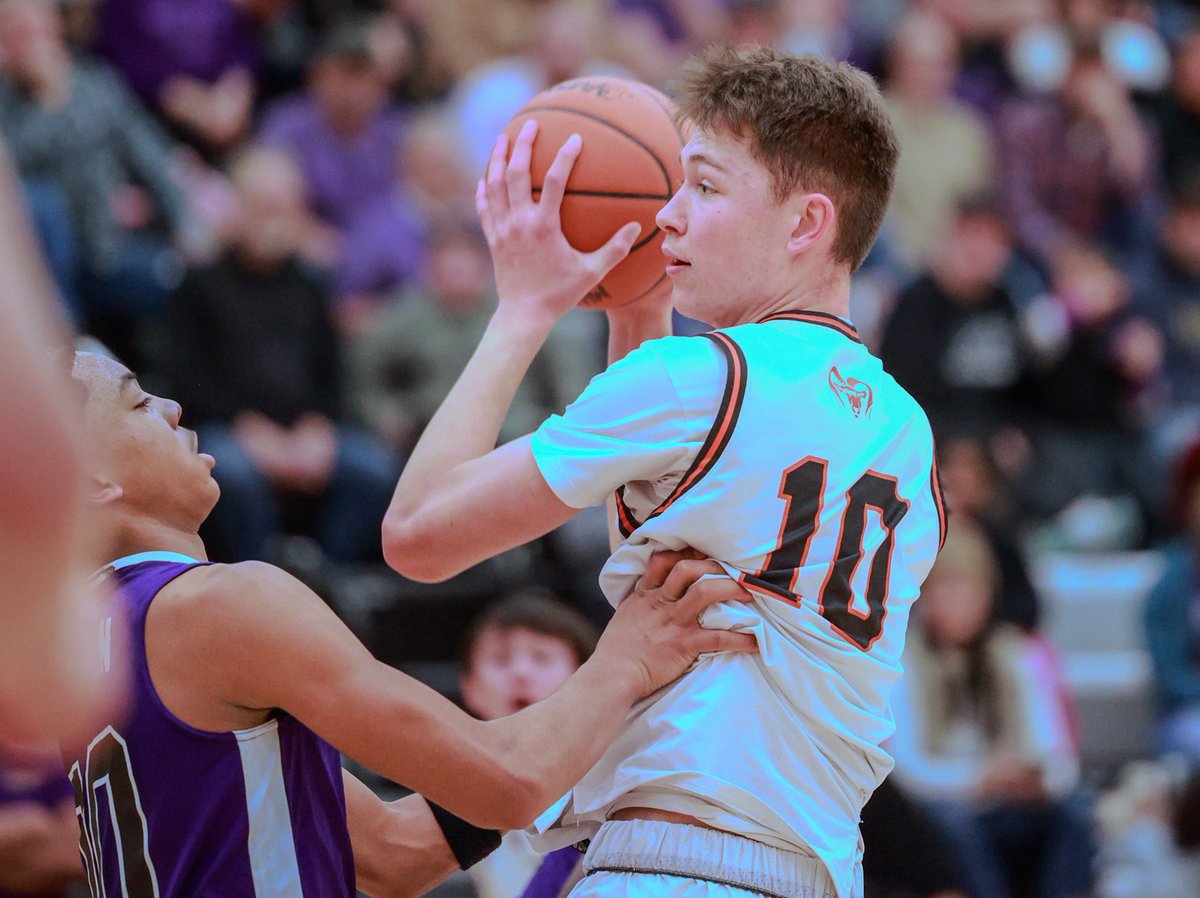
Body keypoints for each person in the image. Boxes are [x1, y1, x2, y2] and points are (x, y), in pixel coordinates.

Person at [382, 46, 945, 898]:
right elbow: (669, 498)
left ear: (805, 224)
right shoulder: (908, 435)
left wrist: (523, 308)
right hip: (814, 867)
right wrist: (642, 305)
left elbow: (418, 535)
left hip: (671, 861)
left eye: (704, 188)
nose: (667, 216)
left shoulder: (701, 380)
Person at [65, 350, 756, 896]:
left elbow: (397, 855)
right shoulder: (217, 606)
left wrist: (584, 739)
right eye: (137, 402)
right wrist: (626, 660)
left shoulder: (75, 647)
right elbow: (507, 780)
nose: (171, 406)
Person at [161, 145, 399, 564]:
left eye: (284, 208)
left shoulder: (311, 285)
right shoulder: (197, 286)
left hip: (305, 431)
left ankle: (327, 575)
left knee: (376, 470)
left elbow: (332, 372)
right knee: (231, 474)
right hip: (228, 430)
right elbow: (186, 379)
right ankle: (256, 574)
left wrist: (318, 425)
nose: (274, 221)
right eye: (263, 207)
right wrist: (248, 428)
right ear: (236, 208)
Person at [887, 522, 1093, 898]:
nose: (959, 601)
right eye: (946, 588)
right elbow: (906, 768)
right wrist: (979, 779)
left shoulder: (1016, 654)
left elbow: (1058, 757)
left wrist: (1036, 780)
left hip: (1008, 800)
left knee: (1075, 814)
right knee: (950, 824)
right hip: (945, 803)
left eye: (970, 588)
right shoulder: (903, 660)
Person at [459, 591, 600, 898]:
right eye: (500, 661)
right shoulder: (462, 794)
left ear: (585, 677)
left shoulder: (614, 779)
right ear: (471, 689)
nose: (520, 673)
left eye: (542, 658)